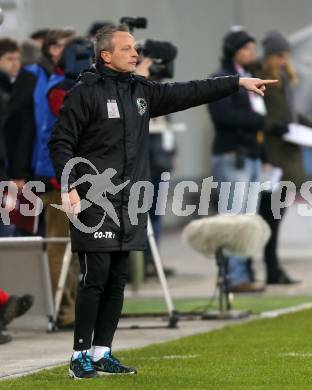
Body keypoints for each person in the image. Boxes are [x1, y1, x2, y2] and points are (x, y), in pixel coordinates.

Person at [48, 23, 276, 380]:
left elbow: (190, 91)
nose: (135, 53)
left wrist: (236, 82)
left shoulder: (141, 91)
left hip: (131, 199)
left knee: (118, 278)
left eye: (134, 47)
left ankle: (102, 351)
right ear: (106, 55)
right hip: (94, 199)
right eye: (126, 49)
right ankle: (79, 356)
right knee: (96, 277)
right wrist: (69, 184)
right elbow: (60, 142)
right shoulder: (86, 92)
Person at [208, 27, 267, 293]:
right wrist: (259, 121)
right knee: (233, 216)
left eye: (253, 49)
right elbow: (222, 117)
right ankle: (231, 275)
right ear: (234, 50)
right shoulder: (221, 78)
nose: (251, 53)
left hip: (251, 154)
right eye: (246, 48)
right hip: (232, 154)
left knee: (247, 219)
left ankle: (241, 273)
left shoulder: (249, 77)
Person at [255, 31, 310, 284]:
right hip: (273, 157)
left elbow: (290, 114)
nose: (282, 60)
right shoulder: (259, 76)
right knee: (268, 215)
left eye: (285, 55)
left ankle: (273, 267)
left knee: (275, 215)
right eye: (279, 55)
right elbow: (258, 115)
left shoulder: (285, 78)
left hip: (287, 154)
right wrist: (275, 126)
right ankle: (270, 267)